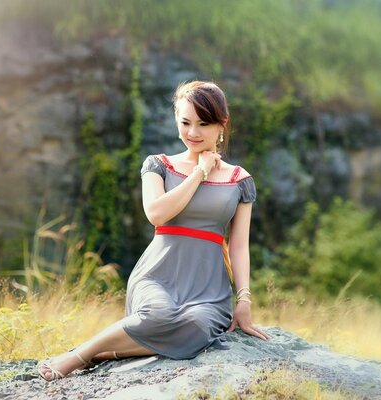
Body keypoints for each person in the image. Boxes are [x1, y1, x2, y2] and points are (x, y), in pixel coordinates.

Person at [37, 80, 270, 381]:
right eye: (185, 123)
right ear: (176, 122)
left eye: (203, 123)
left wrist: (244, 299)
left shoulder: (240, 179)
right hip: (158, 275)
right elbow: (157, 214)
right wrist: (200, 172)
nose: (193, 133)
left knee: (198, 327)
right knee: (156, 316)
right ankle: (78, 355)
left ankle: (103, 354)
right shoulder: (158, 165)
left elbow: (239, 246)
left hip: (208, 290)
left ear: (221, 125)